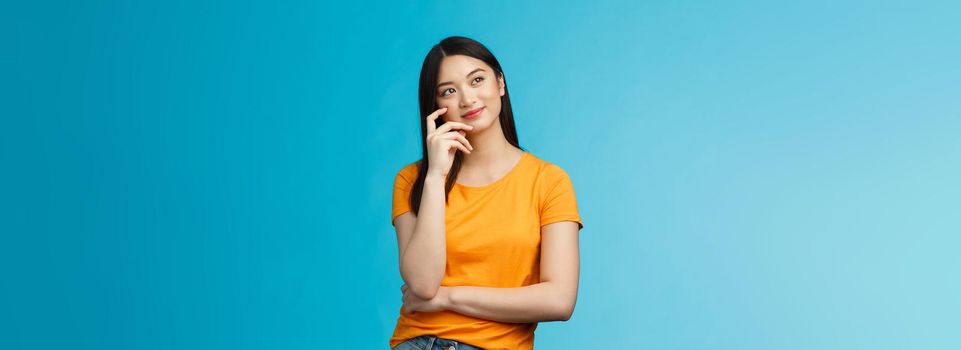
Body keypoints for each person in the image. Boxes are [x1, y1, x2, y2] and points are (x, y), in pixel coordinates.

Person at [389, 36, 583, 350]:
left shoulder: (549, 181)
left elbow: (559, 300)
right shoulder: (414, 180)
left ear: (500, 84)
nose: (467, 99)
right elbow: (423, 285)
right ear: (435, 106)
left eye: (477, 80)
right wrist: (436, 177)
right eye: (449, 91)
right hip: (417, 343)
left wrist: (448, 297)